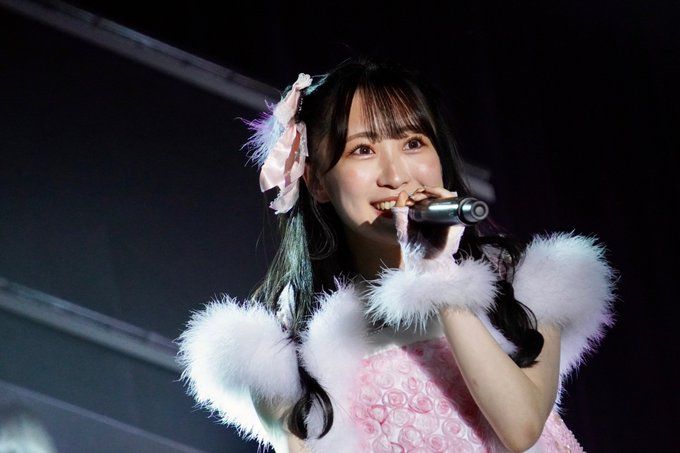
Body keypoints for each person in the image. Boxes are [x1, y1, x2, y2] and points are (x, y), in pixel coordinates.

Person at [177, 57, 616, 453]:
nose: (396, 174)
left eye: (413, 143)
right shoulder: (281, 352)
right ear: (317, 183)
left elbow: (521, 429)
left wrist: (438, 275)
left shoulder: (523, 281)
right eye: (362, 150)